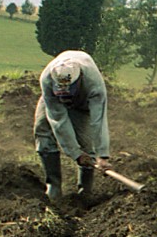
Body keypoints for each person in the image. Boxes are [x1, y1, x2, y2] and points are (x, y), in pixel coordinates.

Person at [34, 50, 110, 200]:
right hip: (52, 100)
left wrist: (102, 155)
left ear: (79, 79)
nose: (65, 96)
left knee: (86, 144)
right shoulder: (47, 79)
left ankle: (85, 192)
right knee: (42, 129)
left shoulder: (94, 86)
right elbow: (58, 120)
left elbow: (98, 121)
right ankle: (53, 186)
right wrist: (75, 153)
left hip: (82, 102)